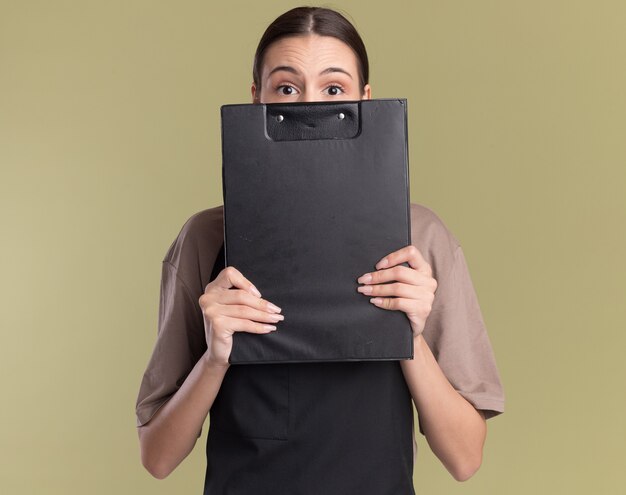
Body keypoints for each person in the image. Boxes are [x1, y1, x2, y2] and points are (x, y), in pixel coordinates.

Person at [135, 6, 504, 494]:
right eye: (286, 88)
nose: (309, 109)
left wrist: (407, 336)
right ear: (256, 100)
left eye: (334, 89)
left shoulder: (421, 237)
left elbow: (465, 458)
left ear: (365, 102)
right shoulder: (205, 238)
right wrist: (215, 359)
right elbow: (158, 458)